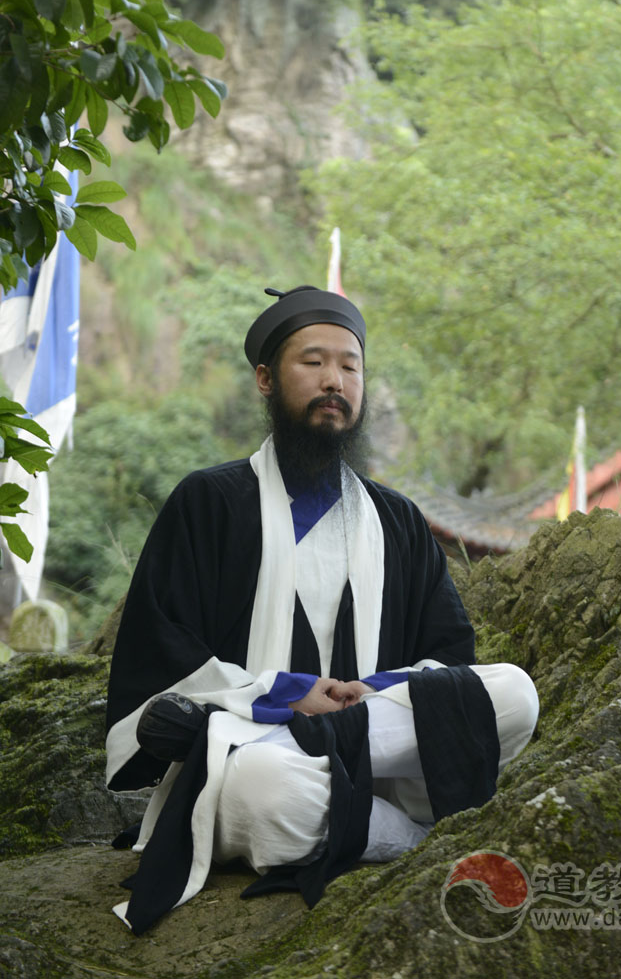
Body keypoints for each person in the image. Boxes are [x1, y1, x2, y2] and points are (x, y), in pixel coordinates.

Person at [105, 285, 539, 933]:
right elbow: (157, 662)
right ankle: (415, 843)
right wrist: (287, 693)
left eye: (349, 365)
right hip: (254, 751)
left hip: (370, 740)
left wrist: (371, 690)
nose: (334, 379)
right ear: (265, 379)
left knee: (513, 693)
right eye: (312, 362)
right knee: (268, 788)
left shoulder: (398, 522)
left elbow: (448, 666)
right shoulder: (209, 503)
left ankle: (355, 801)